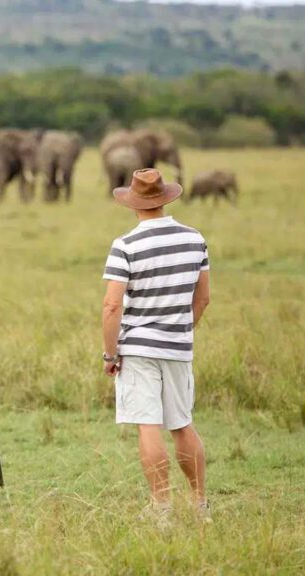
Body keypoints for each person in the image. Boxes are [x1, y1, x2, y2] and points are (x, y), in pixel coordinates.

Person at [101, 168, 211, 524]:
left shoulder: (125, 245)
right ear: (165, 199)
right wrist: (179, 330)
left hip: (138, 347)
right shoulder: (195, 239)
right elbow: (203, 299)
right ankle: (200, 505)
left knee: (148, 425)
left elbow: (112, 306)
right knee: (182, 423)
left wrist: (110, 353)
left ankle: (161, 508)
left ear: (133, 203)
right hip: (178, 346)